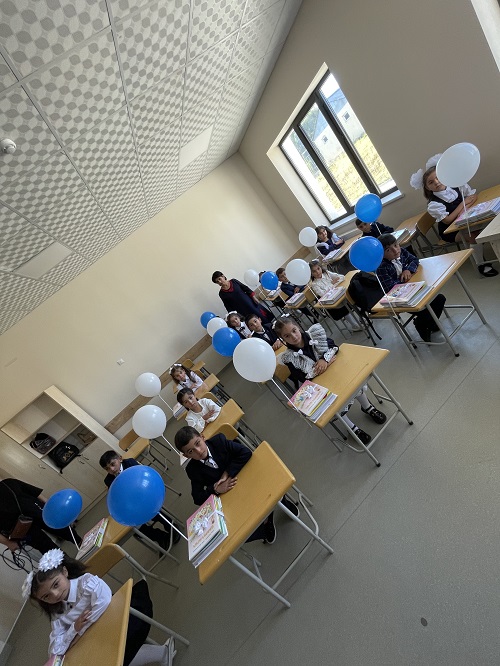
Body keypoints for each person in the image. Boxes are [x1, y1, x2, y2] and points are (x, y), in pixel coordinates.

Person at [26, 548, 174, 665]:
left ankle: (162, 653)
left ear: (65, 572)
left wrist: (79, 633)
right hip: (99, 637)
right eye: (46, 596)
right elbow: (54, 651)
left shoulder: (85, 582)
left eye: (56, 584)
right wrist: (74, 629)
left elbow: (104, 602)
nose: (55, 594)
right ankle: (162, 653)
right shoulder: (58, 614)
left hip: (122, 616)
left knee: (115, 654)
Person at [174, 427, 299, 544]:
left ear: (202, 437)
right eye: (191, 451)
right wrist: (216, 489)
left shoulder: (218, 441)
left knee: (274, 490)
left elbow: (245, 452)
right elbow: (197, 498)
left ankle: (282, 503)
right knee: (237, 534)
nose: (198, 451)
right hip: (232, 496)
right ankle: (264, 526)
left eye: (198, 443)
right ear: (186, 456)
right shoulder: (192, 470)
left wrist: (227, 473)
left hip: (247, 479)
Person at [273, 317, 386, 445]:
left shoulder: (314, 335)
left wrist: (324, 359)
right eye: (287, 336)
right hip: (320, 385)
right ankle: (352, 428)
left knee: (354, 384)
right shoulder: (289, 357)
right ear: (282, 339)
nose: (293, 337)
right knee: (332, 404)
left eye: (294, 330)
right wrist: (322, 368)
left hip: (337, 373)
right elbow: (301, 377)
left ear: (298, 327)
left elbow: (333, 346)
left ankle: (367, 407)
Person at [410, 154, 498, 277]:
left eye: (438, 177)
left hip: (465, 219)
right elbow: (448, 220)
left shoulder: (456, 184)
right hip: (450, 231)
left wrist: (463, 207)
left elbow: (473, 196)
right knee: (473, 235)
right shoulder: (434, 204)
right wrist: (463, 204)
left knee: (490, 221)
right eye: (431, 182)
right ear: (427, 187)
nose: (436, 182)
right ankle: (481, 264)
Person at [99, 452, 179, 548]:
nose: (112, 469)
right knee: (135, 527)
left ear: (120, 459)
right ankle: (161, 537)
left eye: (113, 464)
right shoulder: (108, 480)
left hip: (146, 495)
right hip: (131, 504)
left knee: (153, 510)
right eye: (107, 469)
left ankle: (171, 527)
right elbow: (117, 497)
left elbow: (143, 479)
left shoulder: (130, 463)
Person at [377, 234, 446, 342]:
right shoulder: (381, 267)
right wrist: (403, 280)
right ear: (381, 254)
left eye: (396, 245)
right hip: (401, 299)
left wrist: (408, 270)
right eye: (388, 250)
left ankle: (428, 323)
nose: (395, 250)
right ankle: (421, 325)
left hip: (414, 290)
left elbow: (414, 259)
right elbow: (390, 288)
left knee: (440, 298)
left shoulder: (401, 251)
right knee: (425, 309)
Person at [0, 476, 82, 554]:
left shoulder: (8, 483)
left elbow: (34, 492)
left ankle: (81, 543)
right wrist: (8, 543)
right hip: (20, 528)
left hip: (38, 512)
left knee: (63, 530)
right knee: (47, 547)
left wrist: (52, 506)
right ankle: (67, 562)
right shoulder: (8, 482)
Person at [309, 260, 362, 332]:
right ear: (311, 274)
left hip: (338, 295)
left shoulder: (327, 273)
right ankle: (354, 325)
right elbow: (323, 294)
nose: (317, 272)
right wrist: (332, 284)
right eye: (314, 271)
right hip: (331, 305)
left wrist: (331, 286)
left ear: (321, 267)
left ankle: (361, 318)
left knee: (352, 296)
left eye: (318, 269)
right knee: (342, 306)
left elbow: (341, 277)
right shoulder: (314, 284)